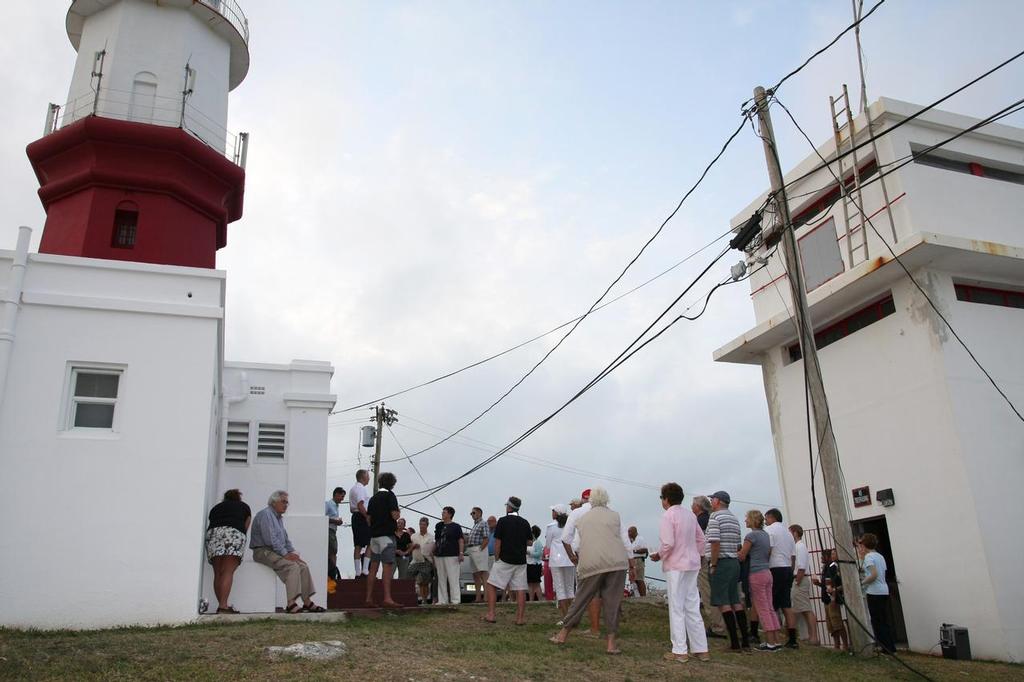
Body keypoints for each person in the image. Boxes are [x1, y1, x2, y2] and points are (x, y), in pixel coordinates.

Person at [550, 487, 633, 655]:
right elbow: (625, 540)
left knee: (581, 598)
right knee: (612, 602)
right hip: (617, 562)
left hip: (592, 561)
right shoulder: (615, 515)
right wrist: (631, 564)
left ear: (589, 500)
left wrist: (575, 557)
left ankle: (562, 634)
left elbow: (570, 540)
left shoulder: (582, 516)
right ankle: (611, 644)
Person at [650, 482, 709, 663]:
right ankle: (701, 649)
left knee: (676, 607)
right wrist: (698, 555)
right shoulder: (690, 515)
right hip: (692, 564)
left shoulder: (668, 516)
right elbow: (701, 539)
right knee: (692, 606)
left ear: (666, 499)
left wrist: (659, 555)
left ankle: (680, 650)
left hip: (676, 565)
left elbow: (668, 543)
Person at [250, 490, 325, 613]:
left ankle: (307, 602)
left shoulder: (278, 518)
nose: (286, 505)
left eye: (287, 502)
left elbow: (285, 540)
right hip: (262, 551)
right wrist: (286, 555)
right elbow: (270, 540)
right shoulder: (265, 515)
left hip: (275, 551)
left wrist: (293, 553)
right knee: (292, 566)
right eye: (283, 502)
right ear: (274, 502)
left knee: (303, 566)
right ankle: (291, 604)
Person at [706, 491, 751, 652]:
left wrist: (714, 564)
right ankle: (745, 641)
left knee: (723, 602)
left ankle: (734, 643)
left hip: (722, 562)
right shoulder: (734, 518)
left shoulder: (715, 517)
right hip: (734, 562)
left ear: (717, 501)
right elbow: (738, 544)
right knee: (735, 601)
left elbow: (715, 542)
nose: (711, 502)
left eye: (712, 499)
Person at [483, 496, 532, 625]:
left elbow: (497, 542)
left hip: (505, 559)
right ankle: (520, 618)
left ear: (509, 507)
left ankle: (491, 614)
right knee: (520, 588)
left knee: (492, 585)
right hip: (520, 560)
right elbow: (530, 541)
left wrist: (497, 558)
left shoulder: (503, 521)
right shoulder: (525, 522)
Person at [738, 509, 781, 652]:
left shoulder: (751, 536)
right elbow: (768, 552)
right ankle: (776, 639)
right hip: (767, 572)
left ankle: (770, 643)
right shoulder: (765, 535)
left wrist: (734, 552)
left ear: (752, 520)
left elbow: (742, 555)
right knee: (769, 606)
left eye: (747, 518)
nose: (745, 521)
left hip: (756, 573)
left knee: (762, 608)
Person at [562, 488, 601, 637]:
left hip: (585, 555)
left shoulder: (577, 513)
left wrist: (572, 556)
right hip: (605, 556)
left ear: (583, 500)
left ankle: (577, 626)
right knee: (604, 592)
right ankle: (606, 630)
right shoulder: (606, 512)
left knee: (586, 592)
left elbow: (566, 537)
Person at [205, 489, 252, 614]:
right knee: (228, 571)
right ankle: (223, 606)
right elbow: (246, 524)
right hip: (233, 534)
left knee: (218, 573)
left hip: (213, 535)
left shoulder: (216, 508)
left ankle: (222, 605)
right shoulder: (244, 507)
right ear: (238, 498)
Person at [365, 472, 402, 608]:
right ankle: (387, 598)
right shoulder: (390, 496)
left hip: (374, 537)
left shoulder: (373, 498)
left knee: (373, 568)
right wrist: (398, 513)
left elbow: (368, 519)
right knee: (387, 567)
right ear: (392, 484)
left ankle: (368, 598)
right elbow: (394, 515)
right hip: (387, 536)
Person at [764, 508, 798, 648]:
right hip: (787, 568)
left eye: (766, 518)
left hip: (775, 567)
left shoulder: (769, 530)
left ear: (771, 518)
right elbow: (793, 555)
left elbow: (769, 549)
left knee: (771, 603)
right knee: (786, 605)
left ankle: (774, 636)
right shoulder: (788, 534)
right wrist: (791, 569)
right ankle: (792, 639)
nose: (765, 521)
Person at [691, 494, 724, 639]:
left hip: (703, 560)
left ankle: (718, 626)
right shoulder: (710, 519)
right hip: (714, 559)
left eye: (693, 504)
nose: (691, 507)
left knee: (707, 593)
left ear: (698, 507)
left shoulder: (700, 521)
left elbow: (700, 542)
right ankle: (723, 624)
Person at [859, 533, 895, 654]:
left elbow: (873, 575)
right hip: (884, 590)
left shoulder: (869, 557)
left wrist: (862, 583)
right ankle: (890, 646)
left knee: (877, 620)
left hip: (874, 591)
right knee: (883, 620)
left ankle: (884, 647)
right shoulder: (880, 556)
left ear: (864, 545)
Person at [813, 548, 849, 651]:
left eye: (823, 556)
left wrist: (834, 591)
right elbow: (826, 585)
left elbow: (839, 584)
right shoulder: (826, 567)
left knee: (837, 622)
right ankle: (836, 645)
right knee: (831, 624)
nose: (821, 558)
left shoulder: (833, 567)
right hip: (826, 599)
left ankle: (845, 645)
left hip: (833, 599)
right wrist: (819, 584)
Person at [789, 524, 819, 645]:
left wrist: (797, 581)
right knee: (800, 608)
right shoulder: (797, 546)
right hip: (798, 579)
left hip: (799, 579)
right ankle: (805, 635)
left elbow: (801, 567)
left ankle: (813, 637)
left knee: (805, 609)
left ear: (795, 533)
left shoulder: (799, 547)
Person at [545, 504, 575, 619]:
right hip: (569, 558)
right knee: (570, 589)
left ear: (556, 513)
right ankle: (573, 616)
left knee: (560, 589)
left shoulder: (551, 527)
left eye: (553, 511)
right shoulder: (570, 524)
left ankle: (565, 618)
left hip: (556, 560)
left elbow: (548, 544)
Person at [434, 506, 464, 605]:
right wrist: (433, 552)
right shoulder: (438, 525)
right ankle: (442, 600)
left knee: (453, 578)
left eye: (444, 512)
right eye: (442, 512)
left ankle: (455, 600)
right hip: (439, 554)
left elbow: (460, 540)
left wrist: (461, 553)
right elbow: (437, 540)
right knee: (441, 578)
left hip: (452, 555)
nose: (442, 514)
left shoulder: (456, 526)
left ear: (450, 514)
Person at [349, 469, 371, 578]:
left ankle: (357, 572)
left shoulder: (353, 488)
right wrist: (367, 516)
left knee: (357, 545)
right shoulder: (361, 488)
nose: (369, 478)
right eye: (368, 476)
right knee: (370, 542)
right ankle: (365, 570)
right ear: (363, 477)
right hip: (362, 516)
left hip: (355, 517)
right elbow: (360, 504)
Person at [466, 507, 490, 602]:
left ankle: (486, 597)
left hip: (479, 548)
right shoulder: (475, 525)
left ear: (479, 513)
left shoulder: (483, 523)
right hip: (472, 549)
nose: (472, 515)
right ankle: (478, 597)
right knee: (475, 574)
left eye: (474, 513)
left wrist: (480, 549)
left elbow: (486, 538)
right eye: (471, 513)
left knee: (483, 573)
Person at [408, 517, 434, 605]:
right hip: (415, 561)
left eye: (424, 524)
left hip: (426, 561)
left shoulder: (431, 537)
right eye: (420, 524)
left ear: (427, 525)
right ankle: (411, 597)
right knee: (409, 577)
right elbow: (408, 548)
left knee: (424, 582)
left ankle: (424, 599)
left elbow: (432, 550)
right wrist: (413, 546)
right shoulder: (413, 536)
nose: (422, 526)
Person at [325, 486, 346, 581]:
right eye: (341, 496)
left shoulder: (336, 506)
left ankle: (332, 571)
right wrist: (335, 521)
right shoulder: (329, 504)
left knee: (333, 551)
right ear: (336, 494)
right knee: (332, 551)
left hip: (333, 531)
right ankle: (332, 573)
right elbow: (323, 518)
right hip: (328, 530)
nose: (342, 499)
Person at [627, 526, 649, 598]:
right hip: (633, 560)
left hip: (638, 560)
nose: (628, 533)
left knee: (639, 579)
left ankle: (643, 597)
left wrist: (634, 551)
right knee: (633, 579)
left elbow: (645, 550)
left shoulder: (640, 539)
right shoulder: (632, 541)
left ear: (635, 532)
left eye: (630, 531)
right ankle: (637, 596)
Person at [527, 525, 545, 601]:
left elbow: (539, 554)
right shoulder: (529, 542)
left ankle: (540, 599)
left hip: (535, 565)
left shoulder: (537, 543)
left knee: (536, 584)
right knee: (530, 584)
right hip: (529, 565)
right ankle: (531, 600)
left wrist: (529, 553)